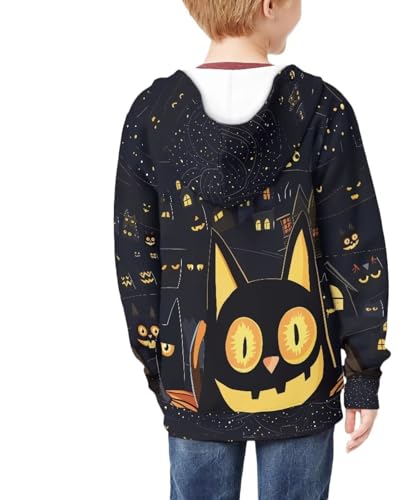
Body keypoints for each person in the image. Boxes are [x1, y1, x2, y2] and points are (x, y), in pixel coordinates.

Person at [113, 1, 391, 498]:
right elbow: (355, 253)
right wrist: (363, 372)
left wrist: (161, 368)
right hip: (307, 378)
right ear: (270, 5)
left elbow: (136, 255)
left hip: (194, 383)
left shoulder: (151, 115)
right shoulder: (321, 110)